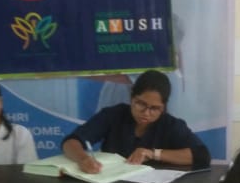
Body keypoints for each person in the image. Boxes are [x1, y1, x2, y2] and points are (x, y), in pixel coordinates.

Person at [62, 69, 211, 173]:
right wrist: (83, 159)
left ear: (163, 107)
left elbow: (202, 156)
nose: (146, 113)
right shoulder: (113, 115)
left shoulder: (170, 124)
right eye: (141, 104)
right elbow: (71, 142)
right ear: (132, 97)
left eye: (154, 108)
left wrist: (153, 154)